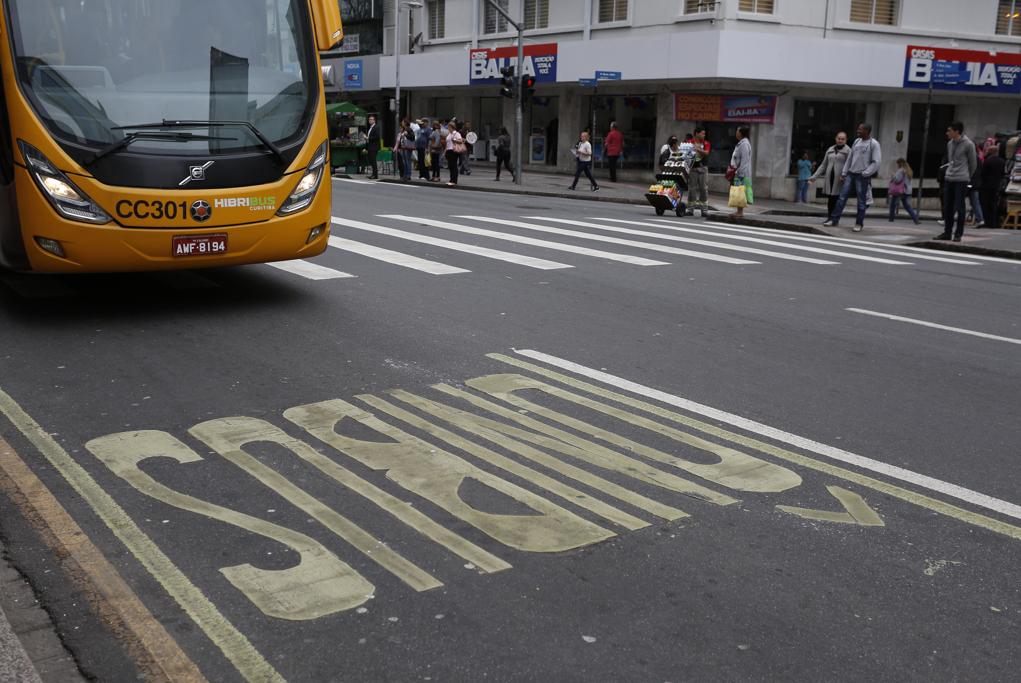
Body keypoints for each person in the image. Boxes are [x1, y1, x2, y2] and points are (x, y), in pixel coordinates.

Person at [823, 122, 881, 232]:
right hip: (851, 174)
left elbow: (876, 162)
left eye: (860, 129)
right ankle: (834, 219)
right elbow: (850, 158)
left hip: (862, 176)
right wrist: (844, 172)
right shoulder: (856, 141)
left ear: (867, 131)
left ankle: (859, 223)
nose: (858, 131)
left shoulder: (874, 144)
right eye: (858, 128)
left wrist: (866, 173)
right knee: (841, 198)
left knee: (861, 201)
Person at [937, 121, 977, 242]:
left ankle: (958, 234)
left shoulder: (969, 144)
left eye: (949, 130)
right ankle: (947, 232)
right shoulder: (950, 144)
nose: (947, 133)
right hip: (949, 178)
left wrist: (967, 176)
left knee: (960, 207)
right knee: (948, 207)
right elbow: (950, 160)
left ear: (957, 131)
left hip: (961, 179)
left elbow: (973, 163)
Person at [809, 132, 850, 217]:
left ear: (846, 140)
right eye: (839, 138)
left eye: (842, 139)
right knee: (830, 199)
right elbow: (823, 165)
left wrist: (845, 176)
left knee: (837, 200)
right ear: (836, 139)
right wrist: (814, 176)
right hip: (829, 178)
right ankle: (829, 217)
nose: (840, 140)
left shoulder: (848, 151)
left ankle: (834, 218)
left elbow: (850, 165)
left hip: (840, 179)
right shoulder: (830, 149)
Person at [980, 144, 1006, 228]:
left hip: (986, 186)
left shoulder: (987, 161)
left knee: (985, 204)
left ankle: (987, 222)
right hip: (996, 185)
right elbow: (1003, 174)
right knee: (994, 204)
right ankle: (994, 223)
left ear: (990, 151)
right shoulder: (1002, 161)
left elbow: (983, 174)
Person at [887, 158, 920, 224]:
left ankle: (891, 219)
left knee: (892, 205)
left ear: (900, 163)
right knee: (907, 206)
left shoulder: (901, 170)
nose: (897, 165)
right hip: (907, 191)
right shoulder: (909, 170)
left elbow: (897, 180)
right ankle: (915, 219)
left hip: (900, 190)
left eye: (897, 163)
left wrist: (893, 176)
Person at [729, 126, 752, 219]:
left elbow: (745, 160)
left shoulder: (744, 144)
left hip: (741, 172)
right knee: (738, 192)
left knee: (740, 191)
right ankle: (739, 211)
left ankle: (740, 212)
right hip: (738, 171)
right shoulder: (741, 143)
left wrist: (740, 172)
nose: (736, 133)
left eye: (737, 131)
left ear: (741, 133)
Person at [690, 126, 711, 217]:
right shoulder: (689, 142)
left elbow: (706, 153)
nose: (704, 135)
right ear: (696, 134)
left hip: (703, 169)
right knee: (692, 189)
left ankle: (704, 210)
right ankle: (690, 208)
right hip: (693, 169)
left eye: (704, 133)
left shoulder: (706, 143)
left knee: (703, 189)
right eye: (702, 133)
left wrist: (697, 148)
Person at [967, 147, 985, 228]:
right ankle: (980, 219)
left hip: (968, 183)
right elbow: (981, 171)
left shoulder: (969, 158)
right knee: (975, 203)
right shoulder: (979, 159)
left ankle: (948, 219)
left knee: (957, 200)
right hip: (976, 184)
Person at [445, 121, 464, 186]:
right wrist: (445, 151)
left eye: (449, 127)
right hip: (449, 150)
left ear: (452, 127)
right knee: (450, 166)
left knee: (453, 166)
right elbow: (447, 143)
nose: (448, 128)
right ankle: (451, 180)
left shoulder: (456, 133)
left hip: (454, 151)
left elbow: (461, 140)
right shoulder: (449, 134)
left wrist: (455, 140)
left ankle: (454, 180)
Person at [365, 114, 380, 179]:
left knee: (373, 161)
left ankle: (375, 175)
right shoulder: (370, 128)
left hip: (374, 147)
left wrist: (368, 138)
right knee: (371, 160)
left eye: (371, 119)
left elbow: (377, 136)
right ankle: (373, 174)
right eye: (369, 119)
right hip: (370, 146)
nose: (370, 121)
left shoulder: (376, 127)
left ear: (374, 120)